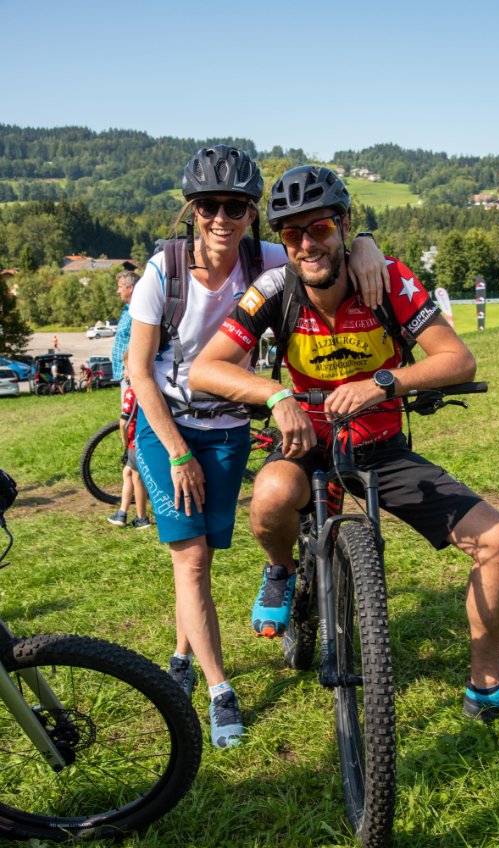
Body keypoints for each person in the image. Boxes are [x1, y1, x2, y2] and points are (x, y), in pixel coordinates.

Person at [190, 164, 499, 722]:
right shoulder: (274, 288)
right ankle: (281, 570)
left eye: (320, 228)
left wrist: (383, 383)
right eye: (293, 234)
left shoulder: (388, 278)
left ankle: (487, 689)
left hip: (381, 444)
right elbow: (206, 368)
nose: (307, 244)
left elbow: (458, 359)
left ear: (345, 226)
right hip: (308, 441)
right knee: (270, 495)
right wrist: (276, 395)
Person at [127, 145, 389, 748]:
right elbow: (139, 371)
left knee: (199, 554)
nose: (222, 219)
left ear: (251, 214)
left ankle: (181, 655)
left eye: (236, 207)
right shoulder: (162, 273)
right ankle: (220, 691)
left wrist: (366, 242)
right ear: (192, 210)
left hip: (228, 425)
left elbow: (319, 248)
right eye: (208, 206)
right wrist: (176, 452)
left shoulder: (265, 257)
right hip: (167, 425)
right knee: (192, 558)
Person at [107, 351, 152, 530]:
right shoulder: (151, 388)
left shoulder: (132, 393)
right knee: (128, 473)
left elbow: (123, 423)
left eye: (125, 368)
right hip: (144, 439)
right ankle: (122, 513)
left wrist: (125, 443)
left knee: (137, 477)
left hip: (136, 441)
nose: (124, 372)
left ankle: (141, 518)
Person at [112, 272, 140, 394]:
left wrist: (128, 367)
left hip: (130, 373)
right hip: (124, 373)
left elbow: (138, 341)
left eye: (120, 287)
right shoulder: (127, 310)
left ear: (130, 288)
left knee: (130, 405)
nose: (118, 291)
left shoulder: (138, 311)